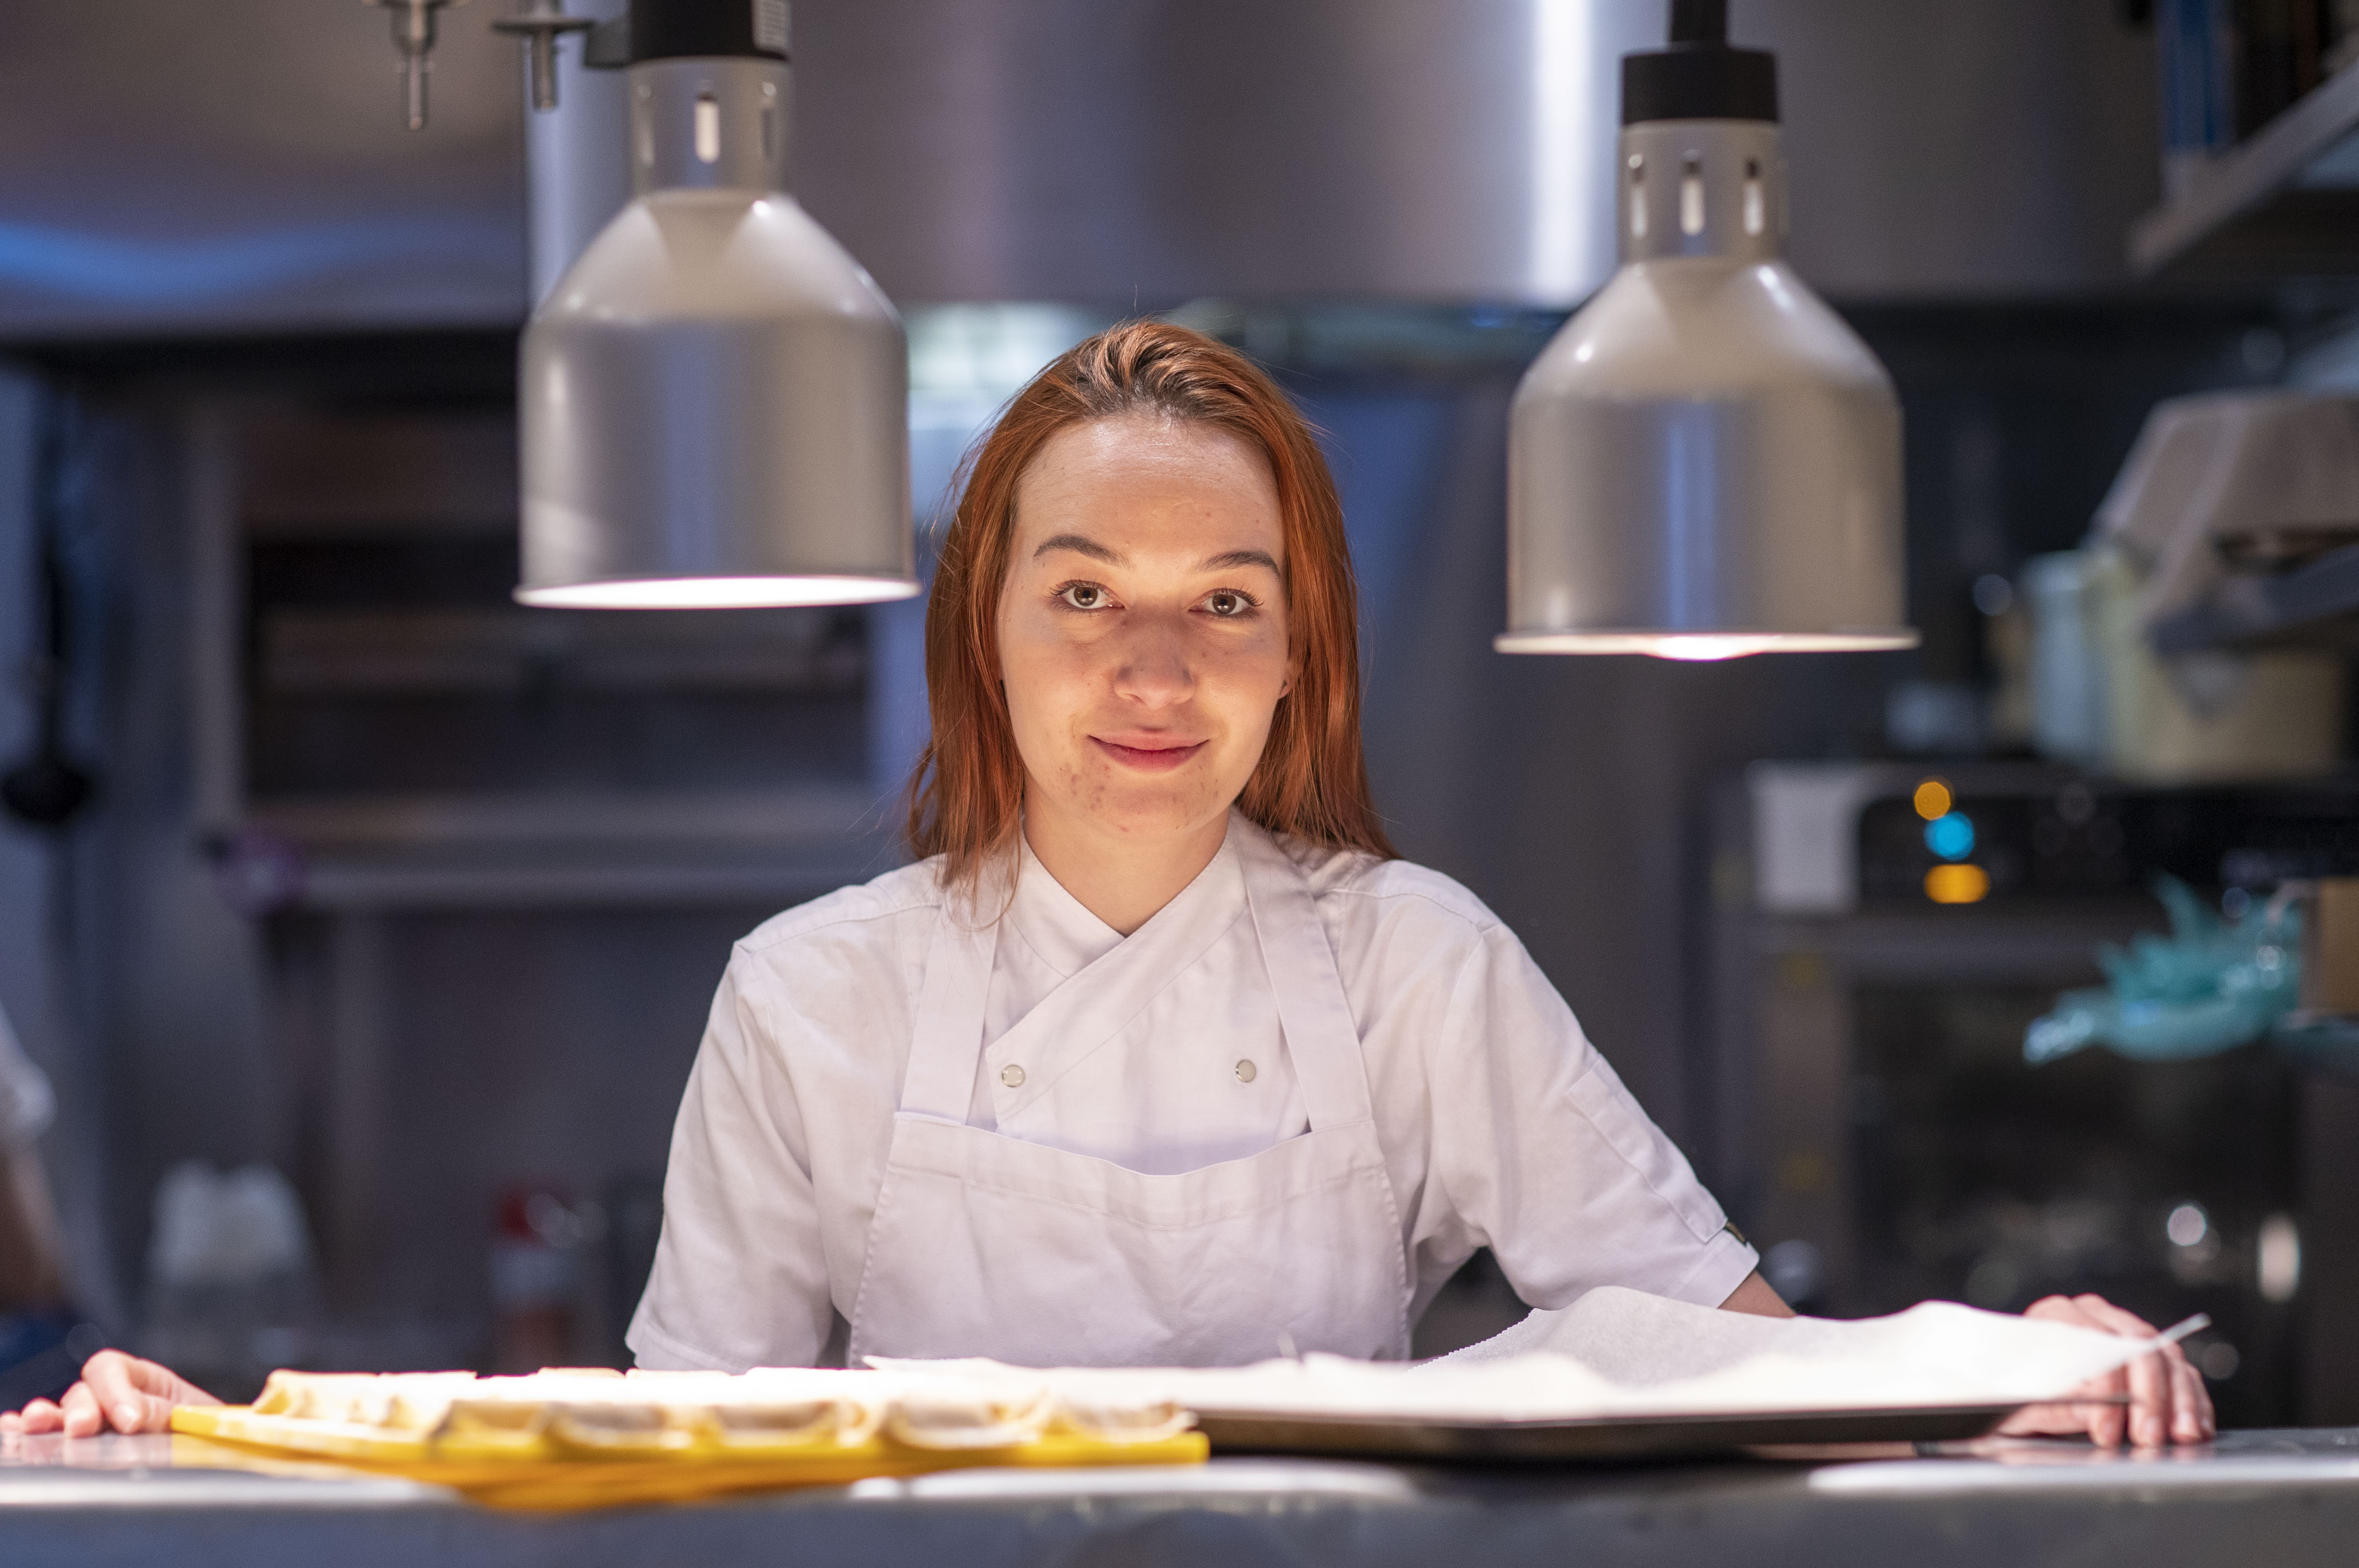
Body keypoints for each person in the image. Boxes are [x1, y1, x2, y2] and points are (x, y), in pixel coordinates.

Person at [3, 323, 2210, 1448]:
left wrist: (1972, 1359)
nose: (1156, 670)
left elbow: (1695, 1339)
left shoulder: (1409, 958)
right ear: (986, 628)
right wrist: (256, 1431)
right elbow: (686, 1430)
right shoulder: (814, 994)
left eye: (1226, 603)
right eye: (1087, 595)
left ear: (1297, 651)